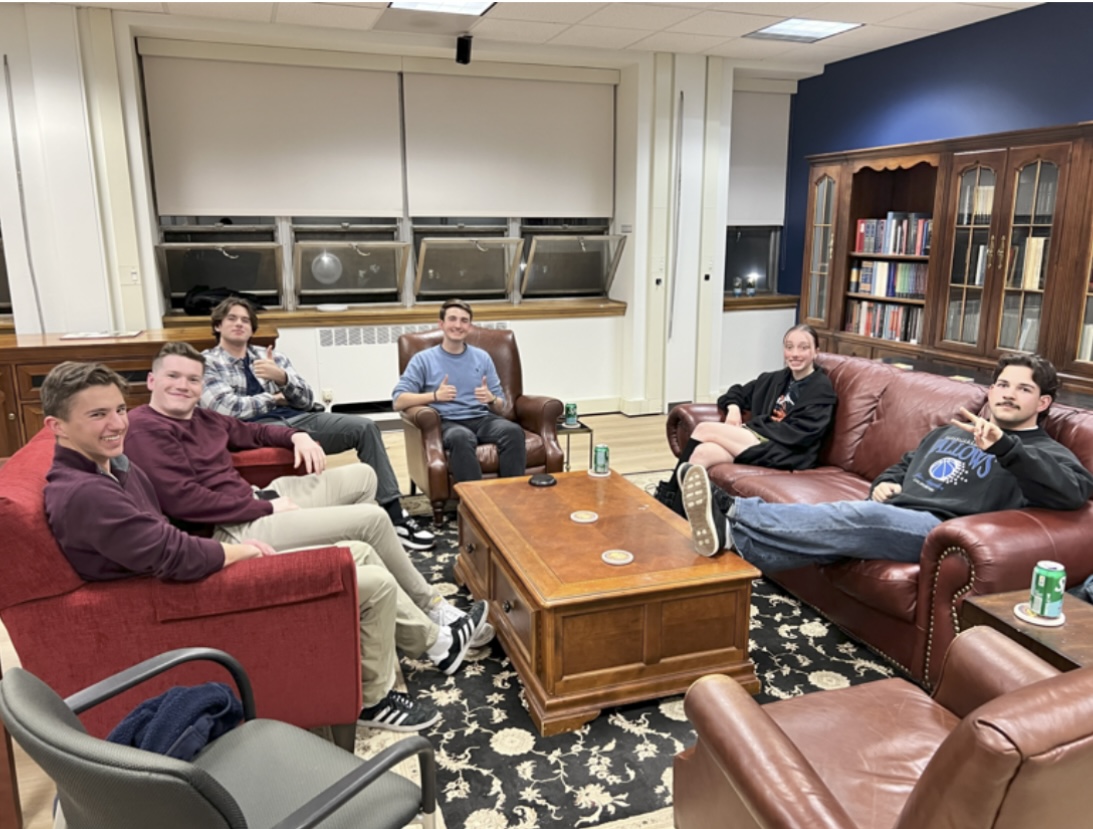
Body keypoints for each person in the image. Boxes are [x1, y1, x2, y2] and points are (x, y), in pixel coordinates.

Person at [41, 361, 438, 732]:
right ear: (56, 426)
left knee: (361, 551)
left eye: (118, 410)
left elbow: (166, 537)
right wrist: (243, 551)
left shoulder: (109, 467)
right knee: (371, 578)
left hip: (193, 567)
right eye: (97, 415)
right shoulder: (86, 494)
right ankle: (373, 700)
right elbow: (174, 553)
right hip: (190, 596)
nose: (116, 425)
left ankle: (432, 639)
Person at [126, 343, 494, 672]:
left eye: (193, 379)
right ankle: (430, 615)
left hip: (255, 498)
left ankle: (372, 606)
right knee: (370, 520)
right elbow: (183, 500)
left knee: (363, 477)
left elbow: (256, 432)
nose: (183, 385)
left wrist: (297, 434)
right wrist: (264, 508)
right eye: (173, 376)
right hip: (233, 527)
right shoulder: (145, 427)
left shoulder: (203, 418)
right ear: (151, 381)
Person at [679, 353, 1093, 569]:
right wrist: (886, 482)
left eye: (1021, 389)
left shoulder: (1043, 450)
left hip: (941, 529)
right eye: (1002, 384)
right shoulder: (955, 430)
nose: (1006, 393)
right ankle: (737, 541)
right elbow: (907, 462)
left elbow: (1074, 492)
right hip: (896, 509)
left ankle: (732, 513)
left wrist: (1006, 447)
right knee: (833, 540)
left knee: (854, 518)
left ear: (1043, 402)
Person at [201, 297, 435, 552]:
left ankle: (395, 516)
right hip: (256, 430)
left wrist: (282, 378)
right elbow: (226, 410)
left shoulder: (270, 356)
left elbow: (305, 399)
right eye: (232, 319)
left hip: (297, 417)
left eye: (245, 320)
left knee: (365, 427)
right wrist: (273, 398)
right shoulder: (207, 363)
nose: (239, 324)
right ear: (217, 325)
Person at [653, 324, 837, 515]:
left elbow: (803, 434)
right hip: (759, 440)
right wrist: (733, 408)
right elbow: (736, 392)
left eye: (803, 347)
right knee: (702, 453)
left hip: (786, 451)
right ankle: (678, 514)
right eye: (789, 347)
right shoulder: (774, 380)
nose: (795, 353)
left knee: (704, 429)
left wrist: (752, 429)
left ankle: (667, 495)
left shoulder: (821, 390)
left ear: (816, 352)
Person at [392, 298, 526, 483]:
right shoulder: (422, 359)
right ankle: (474, 503)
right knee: (461, 437)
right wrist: (435, 396)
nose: (458, 325)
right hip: (448, 421)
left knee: (513, 431)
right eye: (452, 319)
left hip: (482, 419)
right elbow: (398, 400)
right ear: (442, 324)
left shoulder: (482, 357)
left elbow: (501, 407)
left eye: (464, 321)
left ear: (470, 326)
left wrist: (491, 399)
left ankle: (511, 496)